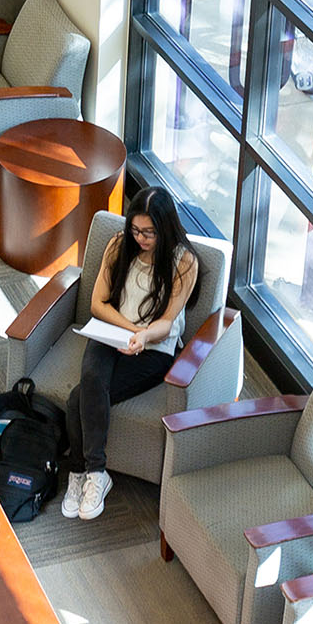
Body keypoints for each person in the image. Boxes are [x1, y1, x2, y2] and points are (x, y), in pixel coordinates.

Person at [63, 188, 199, 521]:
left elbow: (167, 322)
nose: (141, 238)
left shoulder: (184, 261)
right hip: (111, 334)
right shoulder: (118, 245)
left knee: (79, 398)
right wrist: (128, 329)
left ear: (165, 228)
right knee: (93, 379)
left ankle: (82, 471)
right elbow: (98, 304)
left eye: (149, 232)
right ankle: (95, 473)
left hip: (153, 348)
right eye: (136, 230)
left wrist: (142, 336)